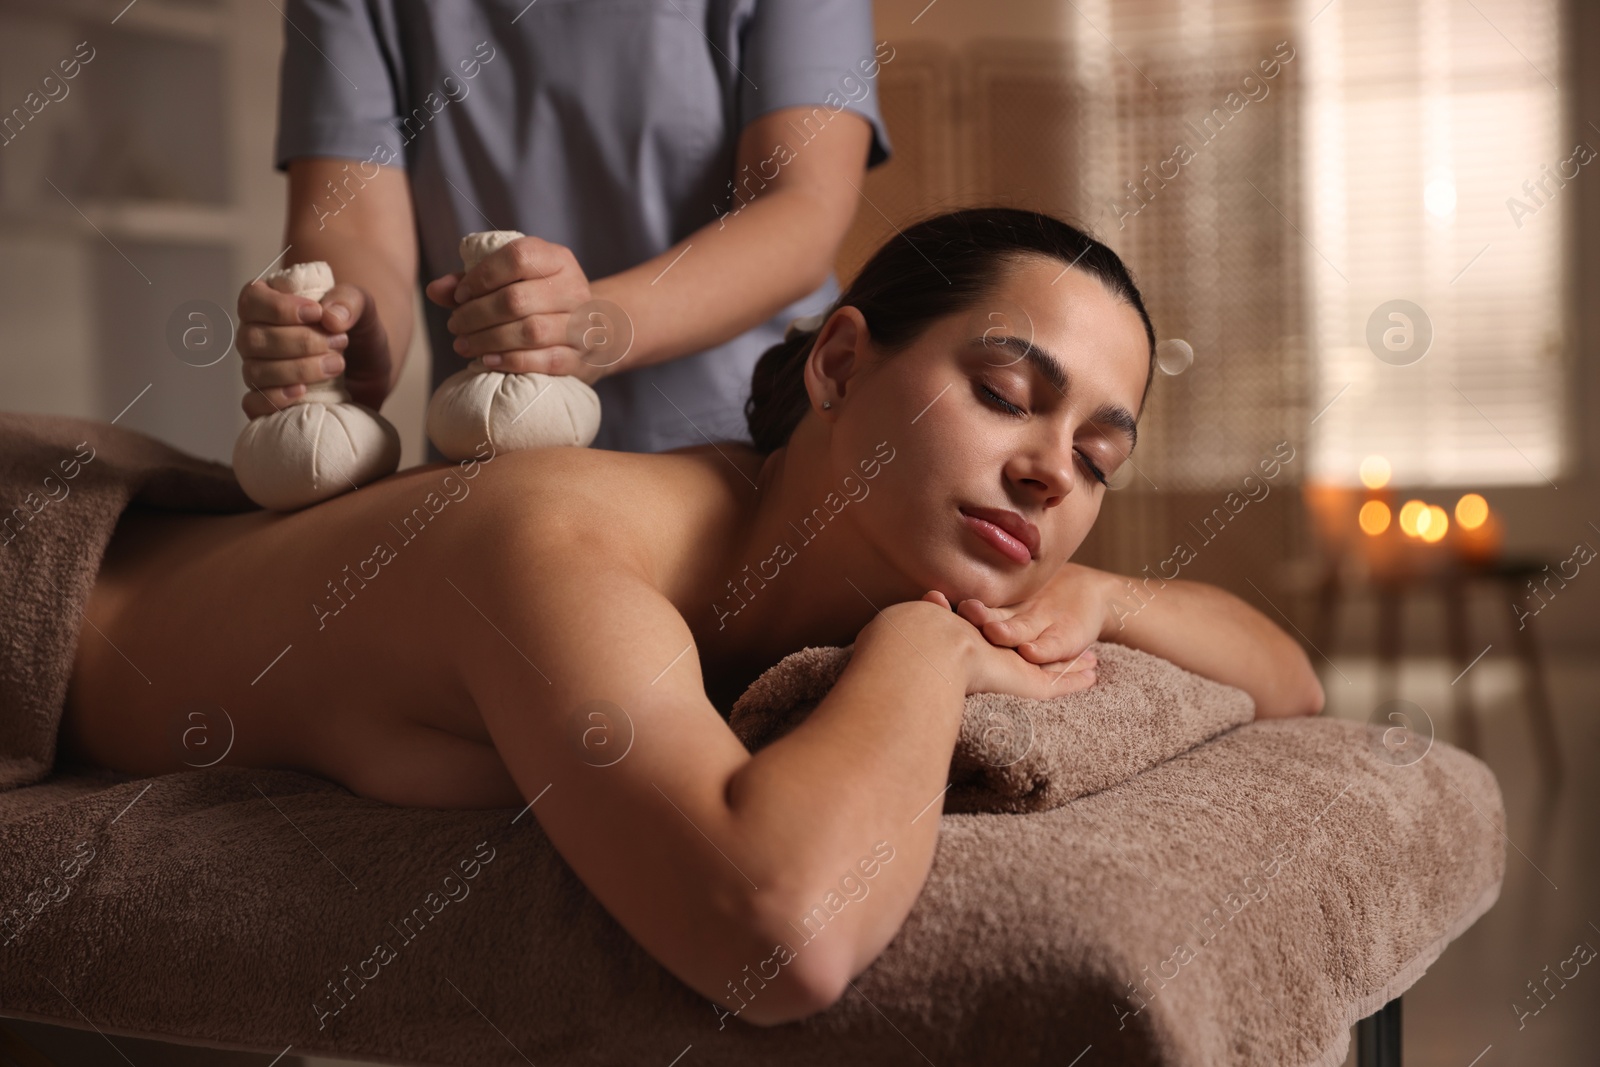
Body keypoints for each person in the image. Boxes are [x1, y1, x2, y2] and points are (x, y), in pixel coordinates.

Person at [60, 208, 1323, 1027]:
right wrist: (925, 654)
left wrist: (1100, 592)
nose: (1052, 470)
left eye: (1098, 458)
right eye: (1005, 392)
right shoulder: (562, 540)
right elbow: (780, 933)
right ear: (839, 367)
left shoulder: (961, 537)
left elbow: (1286, 678)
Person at [237, 0, 894, 457]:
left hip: (746, 452)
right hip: (494, 482)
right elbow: (354, 225)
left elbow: (801, 207)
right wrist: (341, 337)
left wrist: (593, 323)